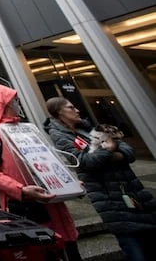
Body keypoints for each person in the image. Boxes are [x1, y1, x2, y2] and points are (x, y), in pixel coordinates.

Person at [0, 84, 81, 261]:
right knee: (45, 250)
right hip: (26, 204)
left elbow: (46, 158)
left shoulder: (23, 127)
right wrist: (20, 189)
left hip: (51, 199)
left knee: (69, 248)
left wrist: (68, 183)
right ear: (2, 103)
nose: (16, 104)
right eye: (12, 100)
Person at [44, 97, 156, 261]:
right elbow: (85, 161)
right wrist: (108, 148)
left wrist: (110, 151)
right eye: (71, 107)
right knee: (135, 249)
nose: (77, 110)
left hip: (134, 191)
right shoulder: (60, 135)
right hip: (109, 197)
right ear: (59, 113)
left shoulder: (88, 128)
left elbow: (128, 151)